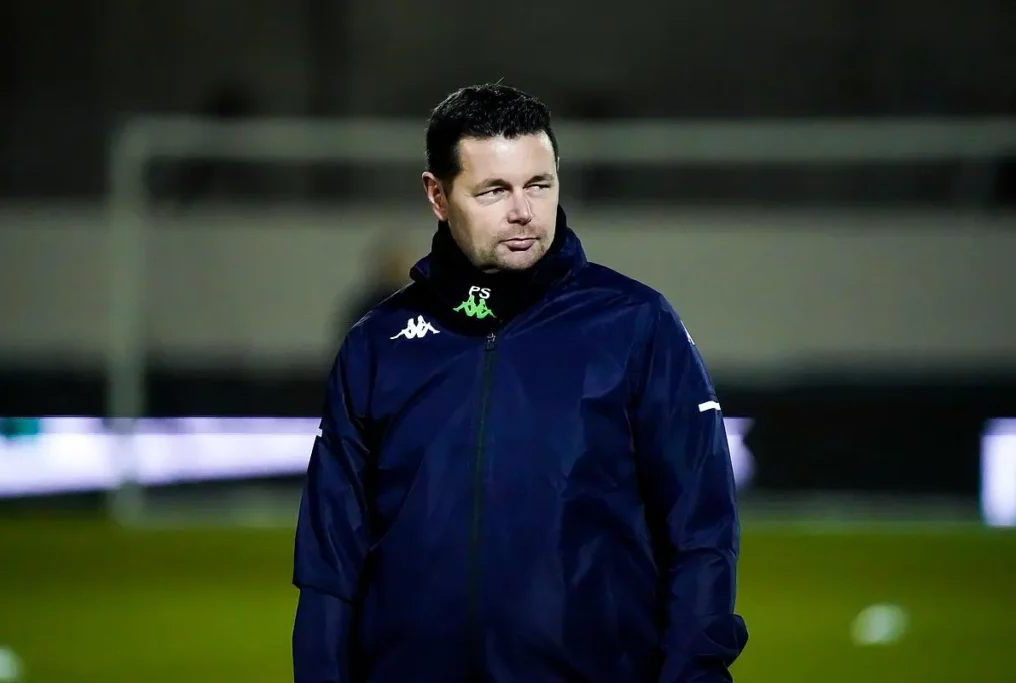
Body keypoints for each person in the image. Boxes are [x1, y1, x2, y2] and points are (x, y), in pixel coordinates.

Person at [292, 83, 748, 683]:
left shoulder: (636, 325)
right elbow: (331, 560)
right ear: (437, 194)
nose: (523, 212)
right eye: (494, 190)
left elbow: (702, 531)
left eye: (539, 184)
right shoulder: (378, 344)